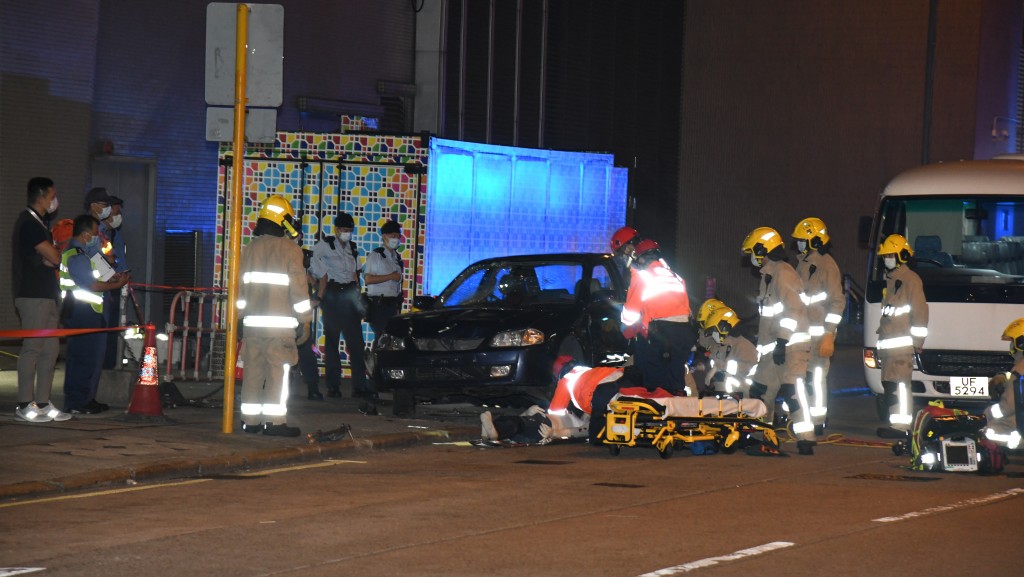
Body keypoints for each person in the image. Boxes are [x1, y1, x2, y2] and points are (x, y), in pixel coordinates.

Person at [236, 195, 312, 436]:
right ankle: (275, 423)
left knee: (253, 373)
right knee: (278, 374)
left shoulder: (249, 249)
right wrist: (305, 320)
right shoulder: (290, 249)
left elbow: (241, 288)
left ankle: (250, 421)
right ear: (284, 221)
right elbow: (299, 289)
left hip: (251, 326)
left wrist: (238, 319)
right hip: (279, 328)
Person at [741, 226, 816, 454]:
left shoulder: (784, 274)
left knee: (792, 391)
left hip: (790, 345)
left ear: (764, 249)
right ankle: (759, 434)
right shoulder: (770, 275)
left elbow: (793, 309)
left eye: (754, 251)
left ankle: (806, 439)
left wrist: (783, 341)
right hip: (773, 348)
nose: (752, 258)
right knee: (760, 391)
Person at [11, 177, 71, 423]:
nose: (55, 200)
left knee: (50, 350)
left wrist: (50, 257)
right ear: (43, 196)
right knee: (33, 349)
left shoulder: (40, 224)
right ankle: (24, 405)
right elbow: (55, 257)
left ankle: (43, 403)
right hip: (32, 296)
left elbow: (51, 258)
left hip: (47, 295)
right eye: (52, 195)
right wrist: (52, 256)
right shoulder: (28, 223)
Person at [60, 214, 129, 414]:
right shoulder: (75, 255)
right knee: (83, 358)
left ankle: (86, 398)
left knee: (91, 358)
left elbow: (107, 274)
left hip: (92, 312)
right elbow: (92, 284)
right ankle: (77, 401)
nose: (98, 236)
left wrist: (116, 275)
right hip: (82, 312)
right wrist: (118, 284)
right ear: (84, 234)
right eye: (95, 233)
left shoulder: (89, 253)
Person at [620, 239, 695, 393]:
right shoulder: (676, 276)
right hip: (684, 333)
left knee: (650, 378)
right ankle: (675, 409)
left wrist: (625, 323)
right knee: (674, 379)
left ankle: (651, 411)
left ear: (641, 258)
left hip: (661, 333)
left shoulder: (642, 275)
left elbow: (630, 314)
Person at [310, 211, 370, 399]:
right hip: (333, 295)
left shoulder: (352, 247)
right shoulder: (325, 245)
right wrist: (317, 286)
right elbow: (310, 265)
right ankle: (333, 386)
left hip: (350, 294)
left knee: (356, 343)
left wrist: (358, 296)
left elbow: (355, 274)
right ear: (336, 229)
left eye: (350, 230)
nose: (347, 233)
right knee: (332, 341)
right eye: (344, 229)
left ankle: (360, 386)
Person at [791, 217, 845, 428]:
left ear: (814, 241)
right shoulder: (804, 264)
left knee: (816, 378)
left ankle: (818, 419)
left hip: (820, 334)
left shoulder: (826, 265)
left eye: (803, 240)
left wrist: (829, 333)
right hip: (804, 333)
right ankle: (801, 415)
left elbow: (837, 301)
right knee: (801, 377)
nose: (799, 244)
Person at [875, 233, 929, 435]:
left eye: (890, 255)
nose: (886, 259)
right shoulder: (892, 280)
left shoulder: (910, 280)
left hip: (901, 347)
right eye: (885, 256)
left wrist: (917, 342)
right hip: (890, 347)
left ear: (901, 256)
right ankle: (895, 422)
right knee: (891, 387)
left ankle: (902, 426)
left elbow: (920, 312)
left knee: (901, 387)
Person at [983, 318, 1024, 449]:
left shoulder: (1019, 370)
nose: (1011, 348)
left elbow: (1008, 407)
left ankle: (1019, 444)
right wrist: (1002, 376)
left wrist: (987, 413)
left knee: (990, 431)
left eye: (1012, 342)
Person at [363, 219, 405, 343]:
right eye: (392, 235)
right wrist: (390, 276)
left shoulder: (396, 257)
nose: (395, 238)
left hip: (393, 305)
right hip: (379, 305)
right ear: (384, 236)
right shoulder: (376, 256)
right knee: (382, 337)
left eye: (397, 236)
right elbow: (368, 279)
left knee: (391, 339)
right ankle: (375, 361)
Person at [702, 305, 758, 396]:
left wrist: (718, 367)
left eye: (714, 331)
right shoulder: (722, 345)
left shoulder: (743, 345)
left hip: (743, 395)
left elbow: (746, 368)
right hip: (724, 394)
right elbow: (708, 347)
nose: (713, 334)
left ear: (723, 328)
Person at [102, 194, 129, 370]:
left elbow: (119, 260)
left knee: (113, 328)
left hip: (115, 286)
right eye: (115, 210)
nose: (118, 215)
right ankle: (104, 365)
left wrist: (123, 275)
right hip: (102, 287)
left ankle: (109, 363)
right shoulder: (96, 234)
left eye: (119, 211)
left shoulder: (114, 234)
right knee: (103, 329)